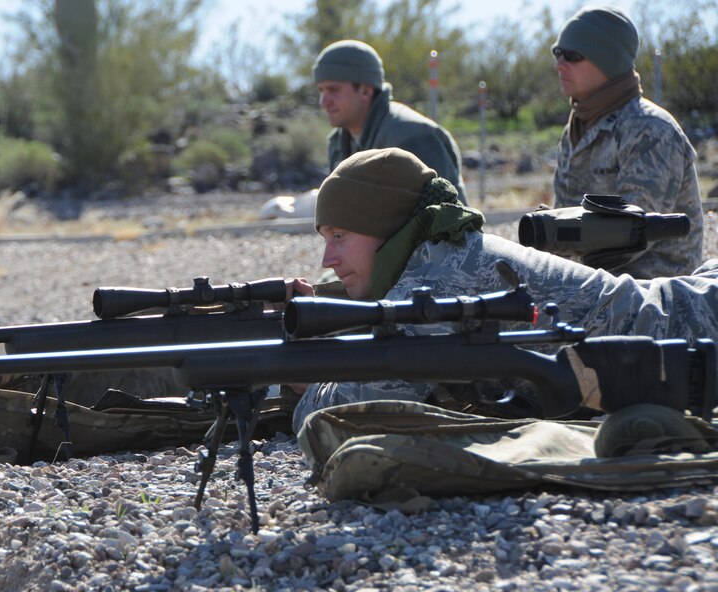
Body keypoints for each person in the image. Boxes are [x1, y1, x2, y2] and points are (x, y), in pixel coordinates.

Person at [292, 147, 718, 430]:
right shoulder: (439, 253)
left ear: (384, 228)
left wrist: (298, 382)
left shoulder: (439, 277)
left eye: (340, 237)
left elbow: (346, 411)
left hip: (698, 327)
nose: (328, 259)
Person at [551, 5, 704, 278]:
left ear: (606, 60)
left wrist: (550, 243)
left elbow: (630, 237)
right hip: (592, 284)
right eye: (558, 53)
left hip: (651, 296)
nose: (560, 64)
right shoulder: (578, 126)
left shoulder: (649, 130)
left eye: (573, 55)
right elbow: (563, 213)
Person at [313, 39, 467, 202]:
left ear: (365, 90)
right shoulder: (338, 142)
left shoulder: (412, 137)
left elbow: (448, 218)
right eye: (321, 91)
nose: (324, 101)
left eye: (333, 90)